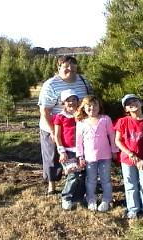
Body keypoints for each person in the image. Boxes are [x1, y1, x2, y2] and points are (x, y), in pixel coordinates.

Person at [38, 55, 92, 194]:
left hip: (77, 126)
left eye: (73, 66)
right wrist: (52, 132)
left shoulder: (83, 81)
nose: (70, 69)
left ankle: (77, 180)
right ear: (59, 67)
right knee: (52, 156)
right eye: (66, 66)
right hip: (54, 124)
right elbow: (45, 110)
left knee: (78, 153)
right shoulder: (51, 84)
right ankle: (52, 185)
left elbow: (88, 101)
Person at [114, 94, 143, 221]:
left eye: (135, 101)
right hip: (127, 160)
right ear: (126, 109)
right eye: (128, 103)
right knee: (130, 185)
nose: (132, 103)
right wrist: (130, 154)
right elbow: (117, 141)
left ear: (141, 103)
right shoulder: (122, 121)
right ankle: (133, 209)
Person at [75, 95, 118, 212]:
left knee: (106, 179)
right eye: (89, 106)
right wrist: (80, 156)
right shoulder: (81, 123)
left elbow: (112, 136)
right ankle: (91, 199)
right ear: (84, 108)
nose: (92, 108)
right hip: (89, 157)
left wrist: (114, 150)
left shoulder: (105, 119)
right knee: (91, 179)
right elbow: (78, 142)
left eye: (95, 105)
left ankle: (107, 199)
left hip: (105, 156)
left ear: (100, 107)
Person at [54, 89, 86, 210]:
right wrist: (61, 151)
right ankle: (66, 197)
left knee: (83, 175)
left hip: (82, 150)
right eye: (68, 100)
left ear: (78, 101)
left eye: (74, 99)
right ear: (63, 103)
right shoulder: (60, 117)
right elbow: (57, 136)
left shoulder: (82, 115)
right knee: (73, 174)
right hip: (68, 150)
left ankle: (78, 197)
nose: (71, 102)